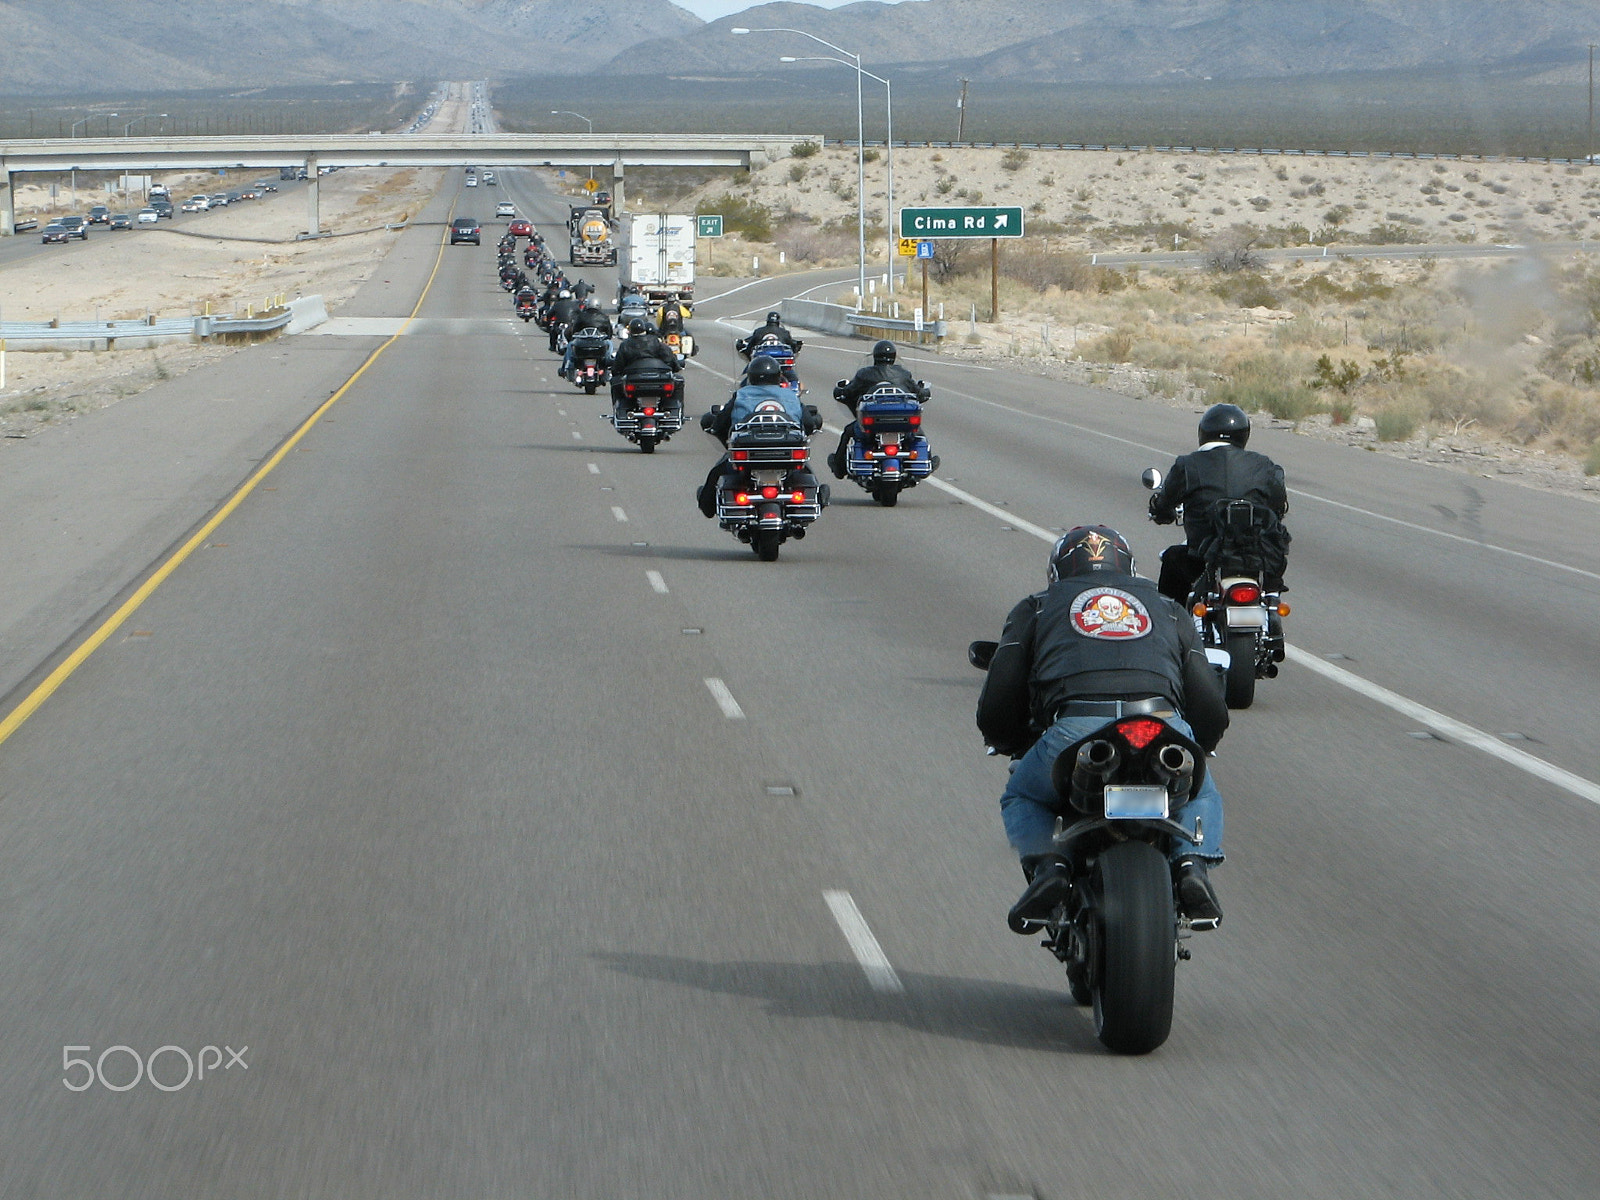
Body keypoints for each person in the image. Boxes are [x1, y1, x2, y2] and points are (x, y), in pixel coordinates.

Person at [976, 526, 1229, 931]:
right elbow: (1206, 697)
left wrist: (1004, 738)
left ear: (1058, 573)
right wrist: (1206, 740)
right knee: (1200, 787)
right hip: (1161, 724)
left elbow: (1002, 689)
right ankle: (1191, 865)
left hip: (1076, 728)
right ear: (1127, 567)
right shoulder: (1167, 607)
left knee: (1021, 794)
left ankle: (1051, 868)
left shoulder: (1038, 607)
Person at [1147, 403, 1290, 617]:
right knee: (1271, 591)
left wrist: (1160, 511)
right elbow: (1279, 504)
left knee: (1171, 560)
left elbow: (1165, 502)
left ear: (1204, 432)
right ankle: (1270, 614)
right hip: (1255, 556)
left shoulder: (1187, 464)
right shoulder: (1263, 465)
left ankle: (1170, 627)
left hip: (1204, 556)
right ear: (1244, 435)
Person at [696, 356, 824, 518]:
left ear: (751, 376)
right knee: (810, 475)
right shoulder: (790, 396)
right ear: (779, 376)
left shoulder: (741, 395)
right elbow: (808, 424)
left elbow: (720, 424)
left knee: (716, 472)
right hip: (785, 454)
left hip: (750, 454)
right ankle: (817, 501)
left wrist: (714, 427)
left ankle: (707, 506)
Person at [826, 340, 929, 479]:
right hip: (901, 423)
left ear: (875, 356)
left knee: (848, 432)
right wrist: (924, 392)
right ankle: (926, 461)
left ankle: (839, 468)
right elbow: (919, 392)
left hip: (873, 425)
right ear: (893, 357)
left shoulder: (865, 374)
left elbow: (849, 391)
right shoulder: (903, 374)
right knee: (919, 434)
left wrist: (841, 391)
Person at [609, 318, 682, 420]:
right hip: (658, 380)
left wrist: (615, 371)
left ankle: (618, 414)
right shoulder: (655, 341)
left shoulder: (625, 345)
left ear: (630, 331)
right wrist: (674, 367)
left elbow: (618, 366)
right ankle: (678, 414)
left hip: (634, 381)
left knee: (615, 382)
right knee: (678, 381)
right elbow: (668, 357)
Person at [558, 302, 613, 379]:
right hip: (598, 343)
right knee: (610, 344)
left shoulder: (581, 316)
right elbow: (609, 333)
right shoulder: (604, 317)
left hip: (583, 342)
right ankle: (607, 362)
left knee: (570, 346)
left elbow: (574, 330)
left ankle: (564, 368)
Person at [737, 311, 801, 359]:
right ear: (778, 321)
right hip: (780, 364)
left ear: (767, 320)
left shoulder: (759, 331)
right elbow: (793, 346)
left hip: (761, 363)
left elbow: (749, 347)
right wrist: (797, 345)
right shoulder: (784, 332)